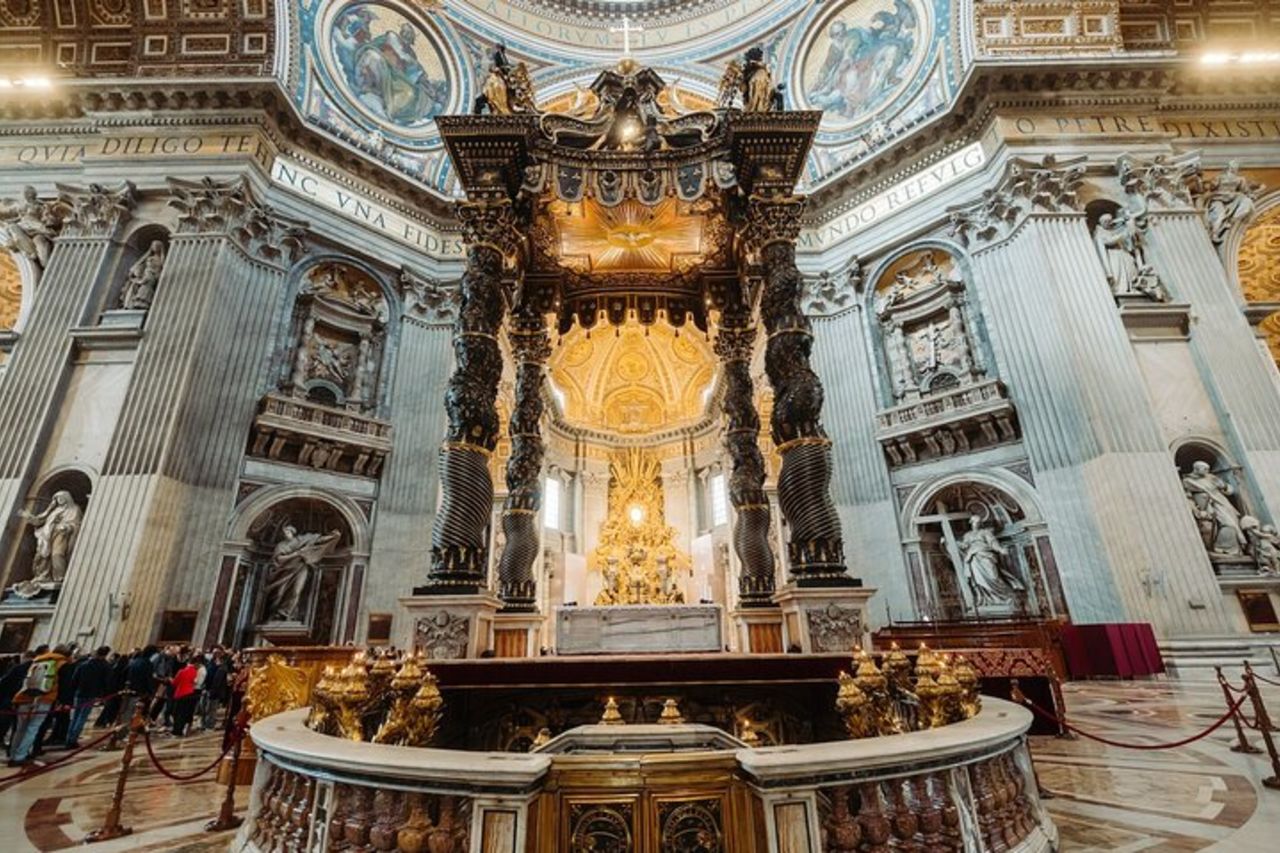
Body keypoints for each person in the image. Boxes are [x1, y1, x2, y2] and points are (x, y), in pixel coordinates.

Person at [9, 644, 70, 766]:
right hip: (44, 698)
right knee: (32, 728)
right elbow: (64, 685)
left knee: (20, 729)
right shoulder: (62, 664)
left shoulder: (37, 660)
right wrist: (63, 702)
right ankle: (20, 756)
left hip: (25, 697)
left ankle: (13, 754)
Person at [64, 645, 112, 749]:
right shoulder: (106, 666)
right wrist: (103, 695)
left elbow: (74, 679)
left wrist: (73, 690)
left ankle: (68, 738)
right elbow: (106, 682)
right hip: (92, 694)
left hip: (79, 692)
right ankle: (72, 740)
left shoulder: (83, 664)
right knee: (82, 717)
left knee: (75, 717)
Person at [108, 646, 156, 749]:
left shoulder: (134, 661)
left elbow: (124, 674)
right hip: (139, 692)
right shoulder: (147, 664)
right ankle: (123, 735)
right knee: (132, 713)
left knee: (125, 712)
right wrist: (151, 692)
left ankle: (119, 734)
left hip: (128, 690)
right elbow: (148, 679)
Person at [0, 650, 36, 752]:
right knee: (17, 727)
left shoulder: (18, 668)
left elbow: (4, 682)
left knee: (5, 722)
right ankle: (12, 748)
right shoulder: (35, 668)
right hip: (26, 700)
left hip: (10, 698)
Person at [170, 654, 200, 737]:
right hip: (190, 693)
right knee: (184, 713)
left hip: (181, 694)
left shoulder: (182, 671)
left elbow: (175, 683)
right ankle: (181, 729)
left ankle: (176, 731)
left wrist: (171, 680)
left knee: (177, 713)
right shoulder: (194, 672)